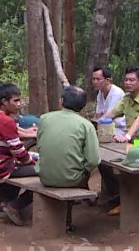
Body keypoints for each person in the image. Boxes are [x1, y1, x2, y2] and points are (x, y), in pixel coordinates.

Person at [13, 86, 100, 230]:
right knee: (80, 172)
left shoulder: (45, 118)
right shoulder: (86, 125)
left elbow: (40, 143)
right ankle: (67, 220)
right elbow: (93, 160)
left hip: (44, 176)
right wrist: (83, 168)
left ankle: (73, 211)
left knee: (65, 166)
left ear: (61, 101)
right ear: (83, 106)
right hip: (71, 179)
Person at [98, 66, 139, 215]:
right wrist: (99, 124)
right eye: (126, 80)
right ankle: (118, 197)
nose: (128, 83)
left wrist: (127, 137)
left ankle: (137, 203)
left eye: (132, 80)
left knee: (134, 164)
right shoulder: (126, 98)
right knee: (104, 163)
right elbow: (112, 113)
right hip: (132, 140)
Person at [0, 83, 39, 225]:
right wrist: (33, 162)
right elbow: (19, 153)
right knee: (45, 172)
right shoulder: (6, 121)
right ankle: (14, 206)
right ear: (4, 102)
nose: (19, 104)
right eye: (15, 101)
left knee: (21, 167)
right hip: (0, 168)